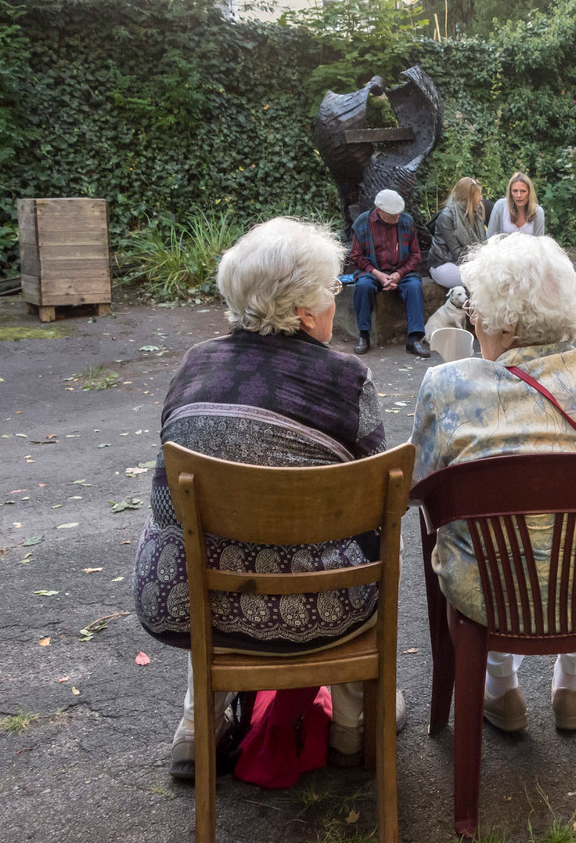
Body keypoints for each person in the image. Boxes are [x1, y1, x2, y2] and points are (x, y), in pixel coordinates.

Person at [131, 217, 404, 779]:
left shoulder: (194, 365)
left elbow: (167, 513)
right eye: (332, 292)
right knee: (361, 551)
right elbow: (381, 504)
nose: (336, 302)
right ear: (305, 312)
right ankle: (352, 731)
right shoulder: (345, 379)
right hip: (318, 611)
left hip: (189, 603)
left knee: (202, 551)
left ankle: (195, 726)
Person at [411, 232, 576, 733]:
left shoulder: (445, 387)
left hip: (487, 593)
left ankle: (500, 690)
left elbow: (421, 491)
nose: (473, 321)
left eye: (476, 312)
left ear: (506, 322)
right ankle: (571, 684)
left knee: (487, 545)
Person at [348, 189, 430, 358]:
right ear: (379, 211)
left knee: (414, 286)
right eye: (393, 215)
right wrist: (377, 273)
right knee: (363, 286)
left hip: (401, 272)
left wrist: (399, 274)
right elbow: (355, 256)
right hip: (373, 271)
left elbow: (415, 255)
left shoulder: (407, 221)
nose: (397, 218)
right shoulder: (363, 222)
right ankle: (364, 335)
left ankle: (414, 339)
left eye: (399, 214)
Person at [428, 176, 487, 289]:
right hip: (444, 263)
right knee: (478, 278)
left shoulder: (476, 213)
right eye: (478, 194)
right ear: (468, 197)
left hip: (469, 262)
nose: (481, 198)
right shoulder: (447, 216)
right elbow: (456, 254)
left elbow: (483, 244)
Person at [487, 172, 546, 236]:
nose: (519, 195)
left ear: (529, 193)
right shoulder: (500, 206)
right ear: (510, 192)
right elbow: (490, 238)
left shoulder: (537, 212)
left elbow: (539, 242)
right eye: (515, 191)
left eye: (523, 191)